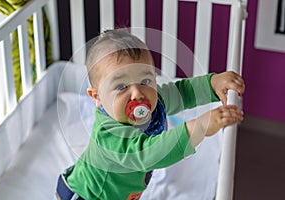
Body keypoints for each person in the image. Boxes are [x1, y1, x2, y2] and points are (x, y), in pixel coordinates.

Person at [55, 29, 245, 200]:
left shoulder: (153, 102)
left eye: (145, 80)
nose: (138, 94)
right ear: (97, 97)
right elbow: (150, 153)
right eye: (121, 86)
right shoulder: (109, 134)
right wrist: (200, 127)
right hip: (87, 196)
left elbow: (183, 92)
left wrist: (212, 84)